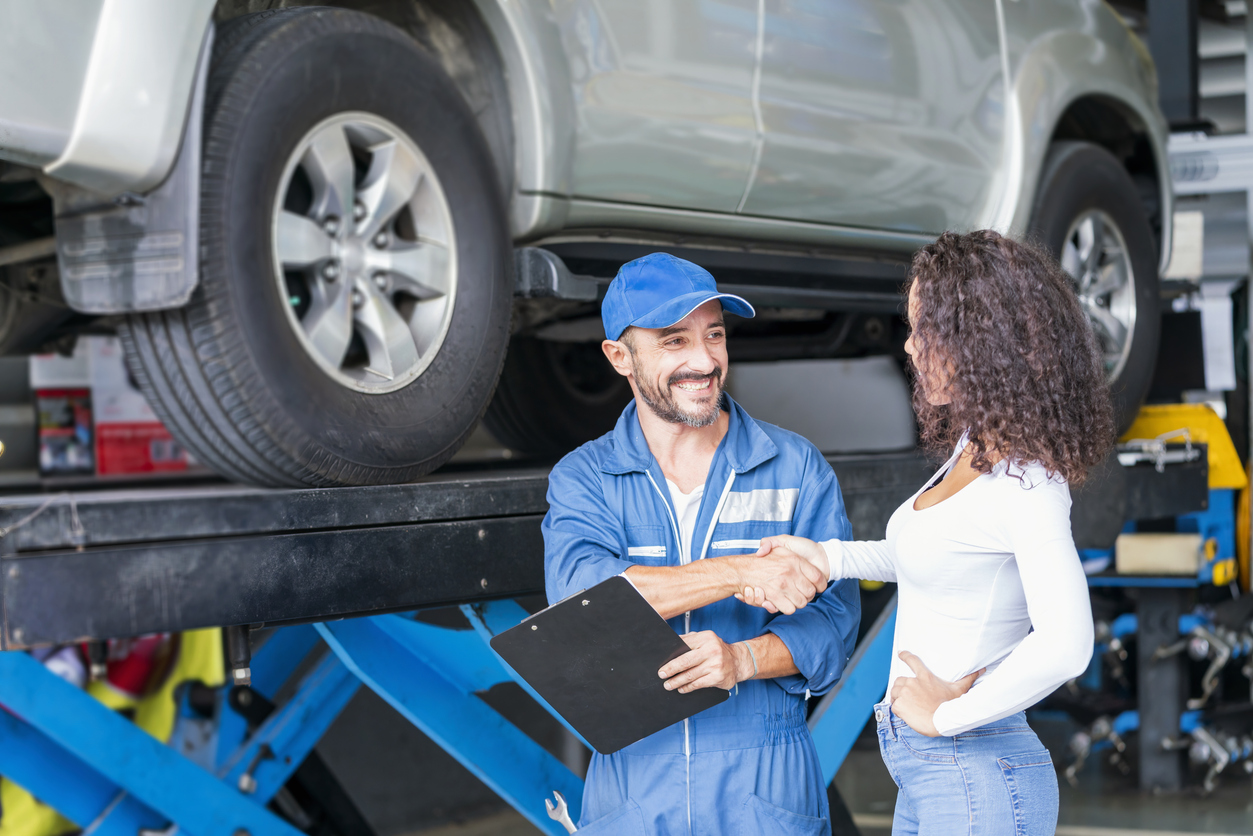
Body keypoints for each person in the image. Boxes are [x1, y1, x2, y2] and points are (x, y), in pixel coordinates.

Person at [751, 230, 1108, 835]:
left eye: (926, 328)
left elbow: (1068, 644)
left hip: (974, 771)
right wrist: (828, 557)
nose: (911, 346)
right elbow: (929, 554)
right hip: (933, 770)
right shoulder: (977, 446)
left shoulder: (1028, 484)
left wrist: (950, 716)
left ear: (981, 341)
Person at [543, 252, 861, 835]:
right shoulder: (585, 477)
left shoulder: (792, 465)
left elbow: (835, 626)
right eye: (673, 341)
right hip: (636, 783)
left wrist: (743, 660)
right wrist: (737, 573)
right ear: (621, 357)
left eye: (713, 334)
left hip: (763, 781)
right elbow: (580, 601)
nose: (703, 360)